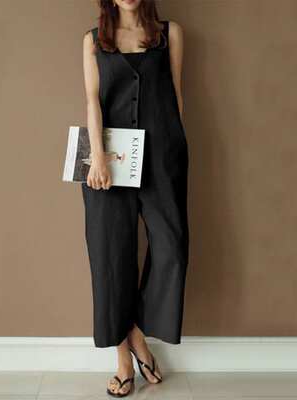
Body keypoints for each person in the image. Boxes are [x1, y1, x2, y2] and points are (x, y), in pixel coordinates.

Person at [81, 0, 189, 396]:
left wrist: (175, 149)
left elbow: (176, 94)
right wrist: (97, 157)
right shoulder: (94, 40)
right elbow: (93, 100)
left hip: (162, 156)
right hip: (107, 162)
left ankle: (137, 331)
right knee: (112, 257)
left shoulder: (169, 33)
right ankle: (125, 361)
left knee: (172, 248)